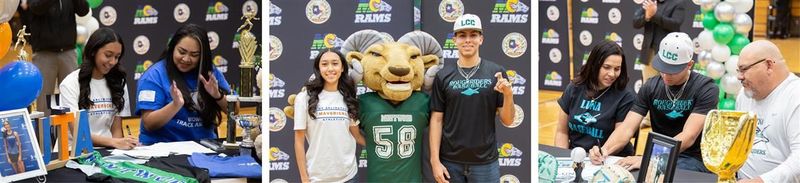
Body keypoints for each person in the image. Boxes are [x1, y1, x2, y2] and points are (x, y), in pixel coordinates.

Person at [591, 32, 718, 173]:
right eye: (663, 67)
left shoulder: (706, 88)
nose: (665, 74)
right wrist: (605, 150)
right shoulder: (651, 86)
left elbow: (689, 135)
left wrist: (652, 158)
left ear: (689, 65)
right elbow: (627, 127)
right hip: (658, 154)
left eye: (672, 70)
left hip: (692, 159)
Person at [429, 14, 516, 183]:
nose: (468, 40)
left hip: (485, 163)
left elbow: (508, 120)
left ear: (481, 39)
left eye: (473, 35)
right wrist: (434, 161)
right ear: (454, 40)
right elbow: (437, 121)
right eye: (462, 35)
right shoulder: (443, 76)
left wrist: (508, 95)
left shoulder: (496, 73)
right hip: (450, 162)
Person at [135, 24, 231, 145]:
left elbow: (235, 110)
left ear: (202, 55)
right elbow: (149, 123)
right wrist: (175, 105)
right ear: (172, 48)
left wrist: (217, 95)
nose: (186, 59)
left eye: (194, 55)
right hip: (163, 149)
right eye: (182, 52)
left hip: (204, 146)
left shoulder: (210, 72)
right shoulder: (154, 76)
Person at [59, 28, 140, 150]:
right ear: (93, 51)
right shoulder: (70, 83)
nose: (113, 62)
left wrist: (119, 145)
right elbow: (78, 133)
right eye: (108, 55)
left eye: (117, 56)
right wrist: (114, 142)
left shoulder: (119, 82)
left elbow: (116, 129)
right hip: (76, 153)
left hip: (108, 151)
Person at [554, 40, 635, 157]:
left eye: (617, 69)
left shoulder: (626, 96)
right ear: (593, 65)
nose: (612, 74)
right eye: (606, 67)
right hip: (576, 156)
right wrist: (562, 159)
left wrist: (601, 153)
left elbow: (620, 139)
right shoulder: (574, 88)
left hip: (609, 158)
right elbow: (562, 132)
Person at [293, 49, 364, 183]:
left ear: (342, 67)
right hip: (317, 177)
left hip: (349, 176)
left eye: (335, 63)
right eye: (324, 64)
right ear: (318, 68)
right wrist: (304, 178)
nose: (330, 68)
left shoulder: (348, 97)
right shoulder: (304, 98)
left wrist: (378, 145)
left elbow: (357, 135)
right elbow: (298, 142)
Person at [736, 40, 800, 183]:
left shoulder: (795, 96)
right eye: (738, 71)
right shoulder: (745, 93)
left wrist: (759, 181)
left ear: (769, 66)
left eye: (744, 69)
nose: (739, 77)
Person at [25, 0, 90, 116]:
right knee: (45, 98)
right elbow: (37, 8)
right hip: (44, 53)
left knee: (71, 94)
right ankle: (46, 132)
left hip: (68, 52)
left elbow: (83, 11)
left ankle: (70, 132)